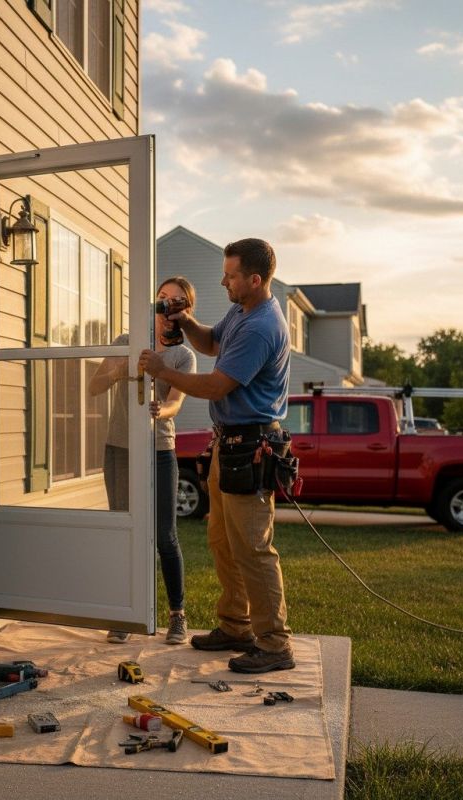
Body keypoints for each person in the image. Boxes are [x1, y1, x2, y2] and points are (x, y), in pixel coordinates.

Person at [138, 239, 294, 674]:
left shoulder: (262, 325)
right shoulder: (241, 311)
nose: (223, 280)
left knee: (254, 549)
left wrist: (164, 372)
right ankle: (236, 626)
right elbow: (209, 343)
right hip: (229, 444)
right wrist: (183, 319)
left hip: (251, 445)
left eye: (230, 275)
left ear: (255, 279)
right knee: (223, 541)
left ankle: (275, 644)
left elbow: (216, 384)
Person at [89, 277, 197, 645]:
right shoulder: (125, 342)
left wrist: (160, 410)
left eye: (177, 301)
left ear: (186, 311)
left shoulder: (184, 355)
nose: (167, 306)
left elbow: (176, 402)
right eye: (162, 298)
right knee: (124, 531)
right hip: (119, 447)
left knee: (165, 536)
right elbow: (94, 386)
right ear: (153, 303)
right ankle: (125, 614)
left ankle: (177, 616)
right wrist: (121, 370)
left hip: (159, 451)